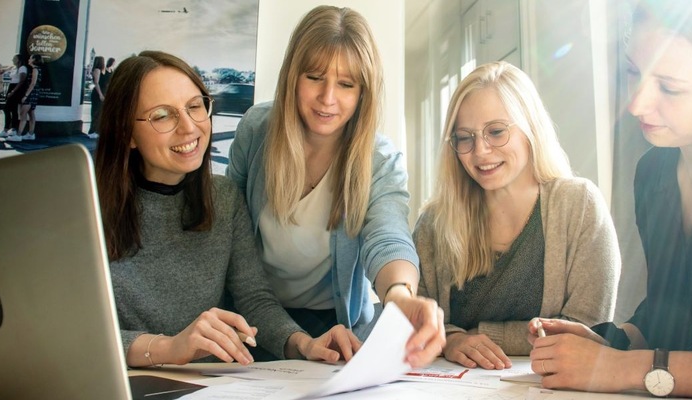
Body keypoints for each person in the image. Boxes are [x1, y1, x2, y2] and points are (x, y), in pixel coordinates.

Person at [527, 0, 692, 398]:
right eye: (634, 72)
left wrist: (618, 367)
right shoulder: (653, 173)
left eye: (670, 87)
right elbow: (672, 311)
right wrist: (613, 341)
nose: (637, 104)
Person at [95, 50, 364, 368]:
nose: (189, 127)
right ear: (127, 134)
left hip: (210, 385)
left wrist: (304, 344)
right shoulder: (85, 209)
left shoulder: (223, 197)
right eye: (163, 115)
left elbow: (253, 299)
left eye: (195, 107)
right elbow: (74, 330)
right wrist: (168, 348)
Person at [226, 5, 444, 368]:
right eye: (314, 77)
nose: (328, 98)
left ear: (363, 93)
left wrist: (399, 294)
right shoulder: (256, 130)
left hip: (335, 325)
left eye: (346, 84)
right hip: (252, 316)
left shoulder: (380, 158)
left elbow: (388, 234)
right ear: (293, 77)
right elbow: (228, 233)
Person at [414, 61, 620, 370]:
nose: (480, 151)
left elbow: (586, 330)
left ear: (530, 127)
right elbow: (413, 320)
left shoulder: (579, 205)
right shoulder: (433, 224)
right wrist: (451, 341)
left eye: (496, 132)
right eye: (464, 137)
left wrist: (476, 335)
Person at [7, 54, 42, 142]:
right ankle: (30, 134)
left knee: (23, 114)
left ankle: (18, 135)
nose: (29, 59)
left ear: (34, 59)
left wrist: (26, 95)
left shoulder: (34, 69)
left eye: (30, 58)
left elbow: (33, 84)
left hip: (30, 94)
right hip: (35, 94)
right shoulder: (38, 69)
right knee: (31, 113)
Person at [0, 55, 25, 138]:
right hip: (11, 87)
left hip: (16, 89)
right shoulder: (14, 68)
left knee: (11, 109)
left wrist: (13, 91)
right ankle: (8, 129)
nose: (12, 60)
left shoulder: (22, 68)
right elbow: (2, 71)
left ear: (19, 60)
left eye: (14, 59)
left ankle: (12, 129)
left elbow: (22, 81)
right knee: (8, 109)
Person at [88, 56, 106, 139]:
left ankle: (97, 131)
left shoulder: (102, 70)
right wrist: (100, 94)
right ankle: (92, 131)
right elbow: (96, 83)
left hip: (101, 93)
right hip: (97, 94)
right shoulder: (97, 70)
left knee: (99, 113)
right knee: (95, 112)